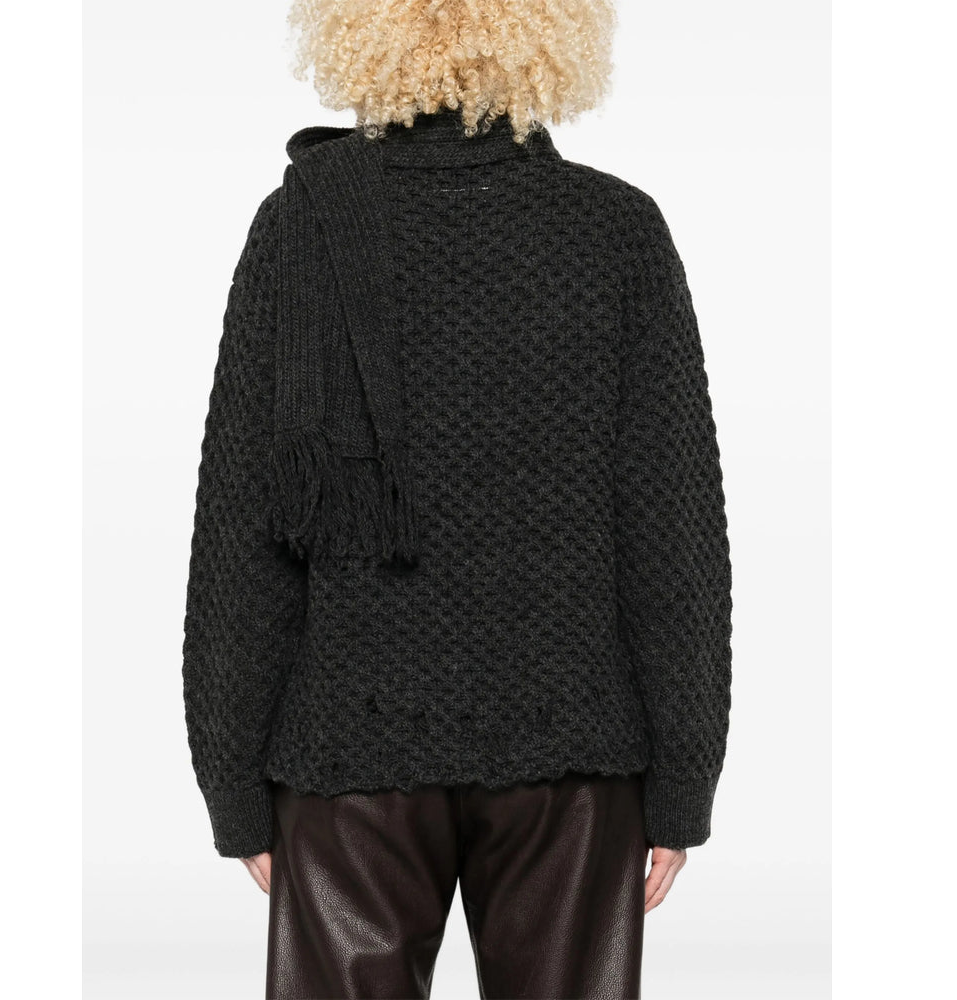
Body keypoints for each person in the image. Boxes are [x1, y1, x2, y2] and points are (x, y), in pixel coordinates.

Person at [181, 2, 733, 997]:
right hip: (572, 748)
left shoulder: (302, 224)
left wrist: (233, 784)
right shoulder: (616, 231)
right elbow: (671, 533)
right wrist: (683, 780)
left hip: (346, 747)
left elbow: (243, 531)